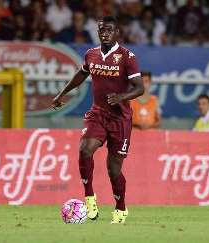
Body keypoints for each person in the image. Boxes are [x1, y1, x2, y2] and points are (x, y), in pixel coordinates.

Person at [51, 16, 144, 224]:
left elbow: (140, 87)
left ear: (117, 32)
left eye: (109, 30)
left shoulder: (127, 57)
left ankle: (120, 208)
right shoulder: (91, 54)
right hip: (98, 114)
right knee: (85, 149)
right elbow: (81, 74)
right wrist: (61, 94)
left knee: (114, 170)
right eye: (102, 30)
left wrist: (121, 97)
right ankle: (89, 197)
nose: (105, 33)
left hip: (120, 119)